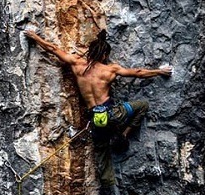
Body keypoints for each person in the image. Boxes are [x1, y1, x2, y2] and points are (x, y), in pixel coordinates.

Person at [24, 28, 172, 186]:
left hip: (96, 121)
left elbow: (53, 49)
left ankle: (111, 193)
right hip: (113, 115)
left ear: (89, 52)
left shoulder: (77, 64)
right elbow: (138, 72)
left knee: (103, 159)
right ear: (104, 55)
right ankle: (124, 134)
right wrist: (160, 71)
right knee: (142, 106)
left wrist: (34, 37)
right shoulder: (109, 70)